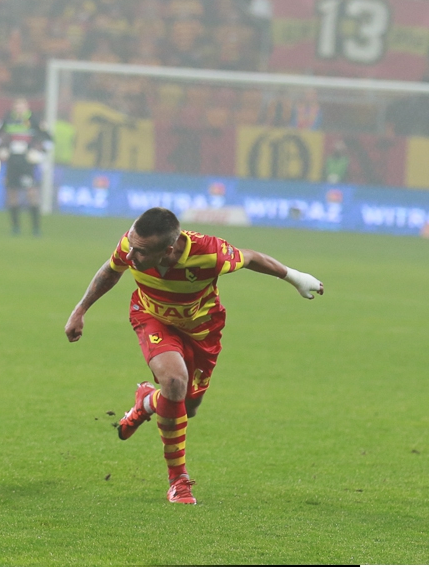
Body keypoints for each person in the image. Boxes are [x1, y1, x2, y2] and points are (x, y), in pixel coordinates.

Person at [64, 208, 323, 505]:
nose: (131, 255)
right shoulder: (132, 245)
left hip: (202, 329)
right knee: (175, 382)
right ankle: (178, 481)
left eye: (141, 252)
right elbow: (111, 270)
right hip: (152, 317)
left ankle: (147, 401)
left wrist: (295, 277)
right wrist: (80, 310)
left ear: (168, 251)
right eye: (132, 247)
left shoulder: (210, 253)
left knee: (186, 407)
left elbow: (251, 257)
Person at [0, 97, 50, 236]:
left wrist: (39, 154)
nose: (19, 109)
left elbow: (48, 140)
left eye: (22, 106)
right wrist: (0, 150)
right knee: (12, 193)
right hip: (12, 160)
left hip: (27, 162)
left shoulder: (34, 120)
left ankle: (36, 228)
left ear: (27, 107)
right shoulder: (7, 120)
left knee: (31, 193)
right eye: (17, 106)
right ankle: (15, 227)